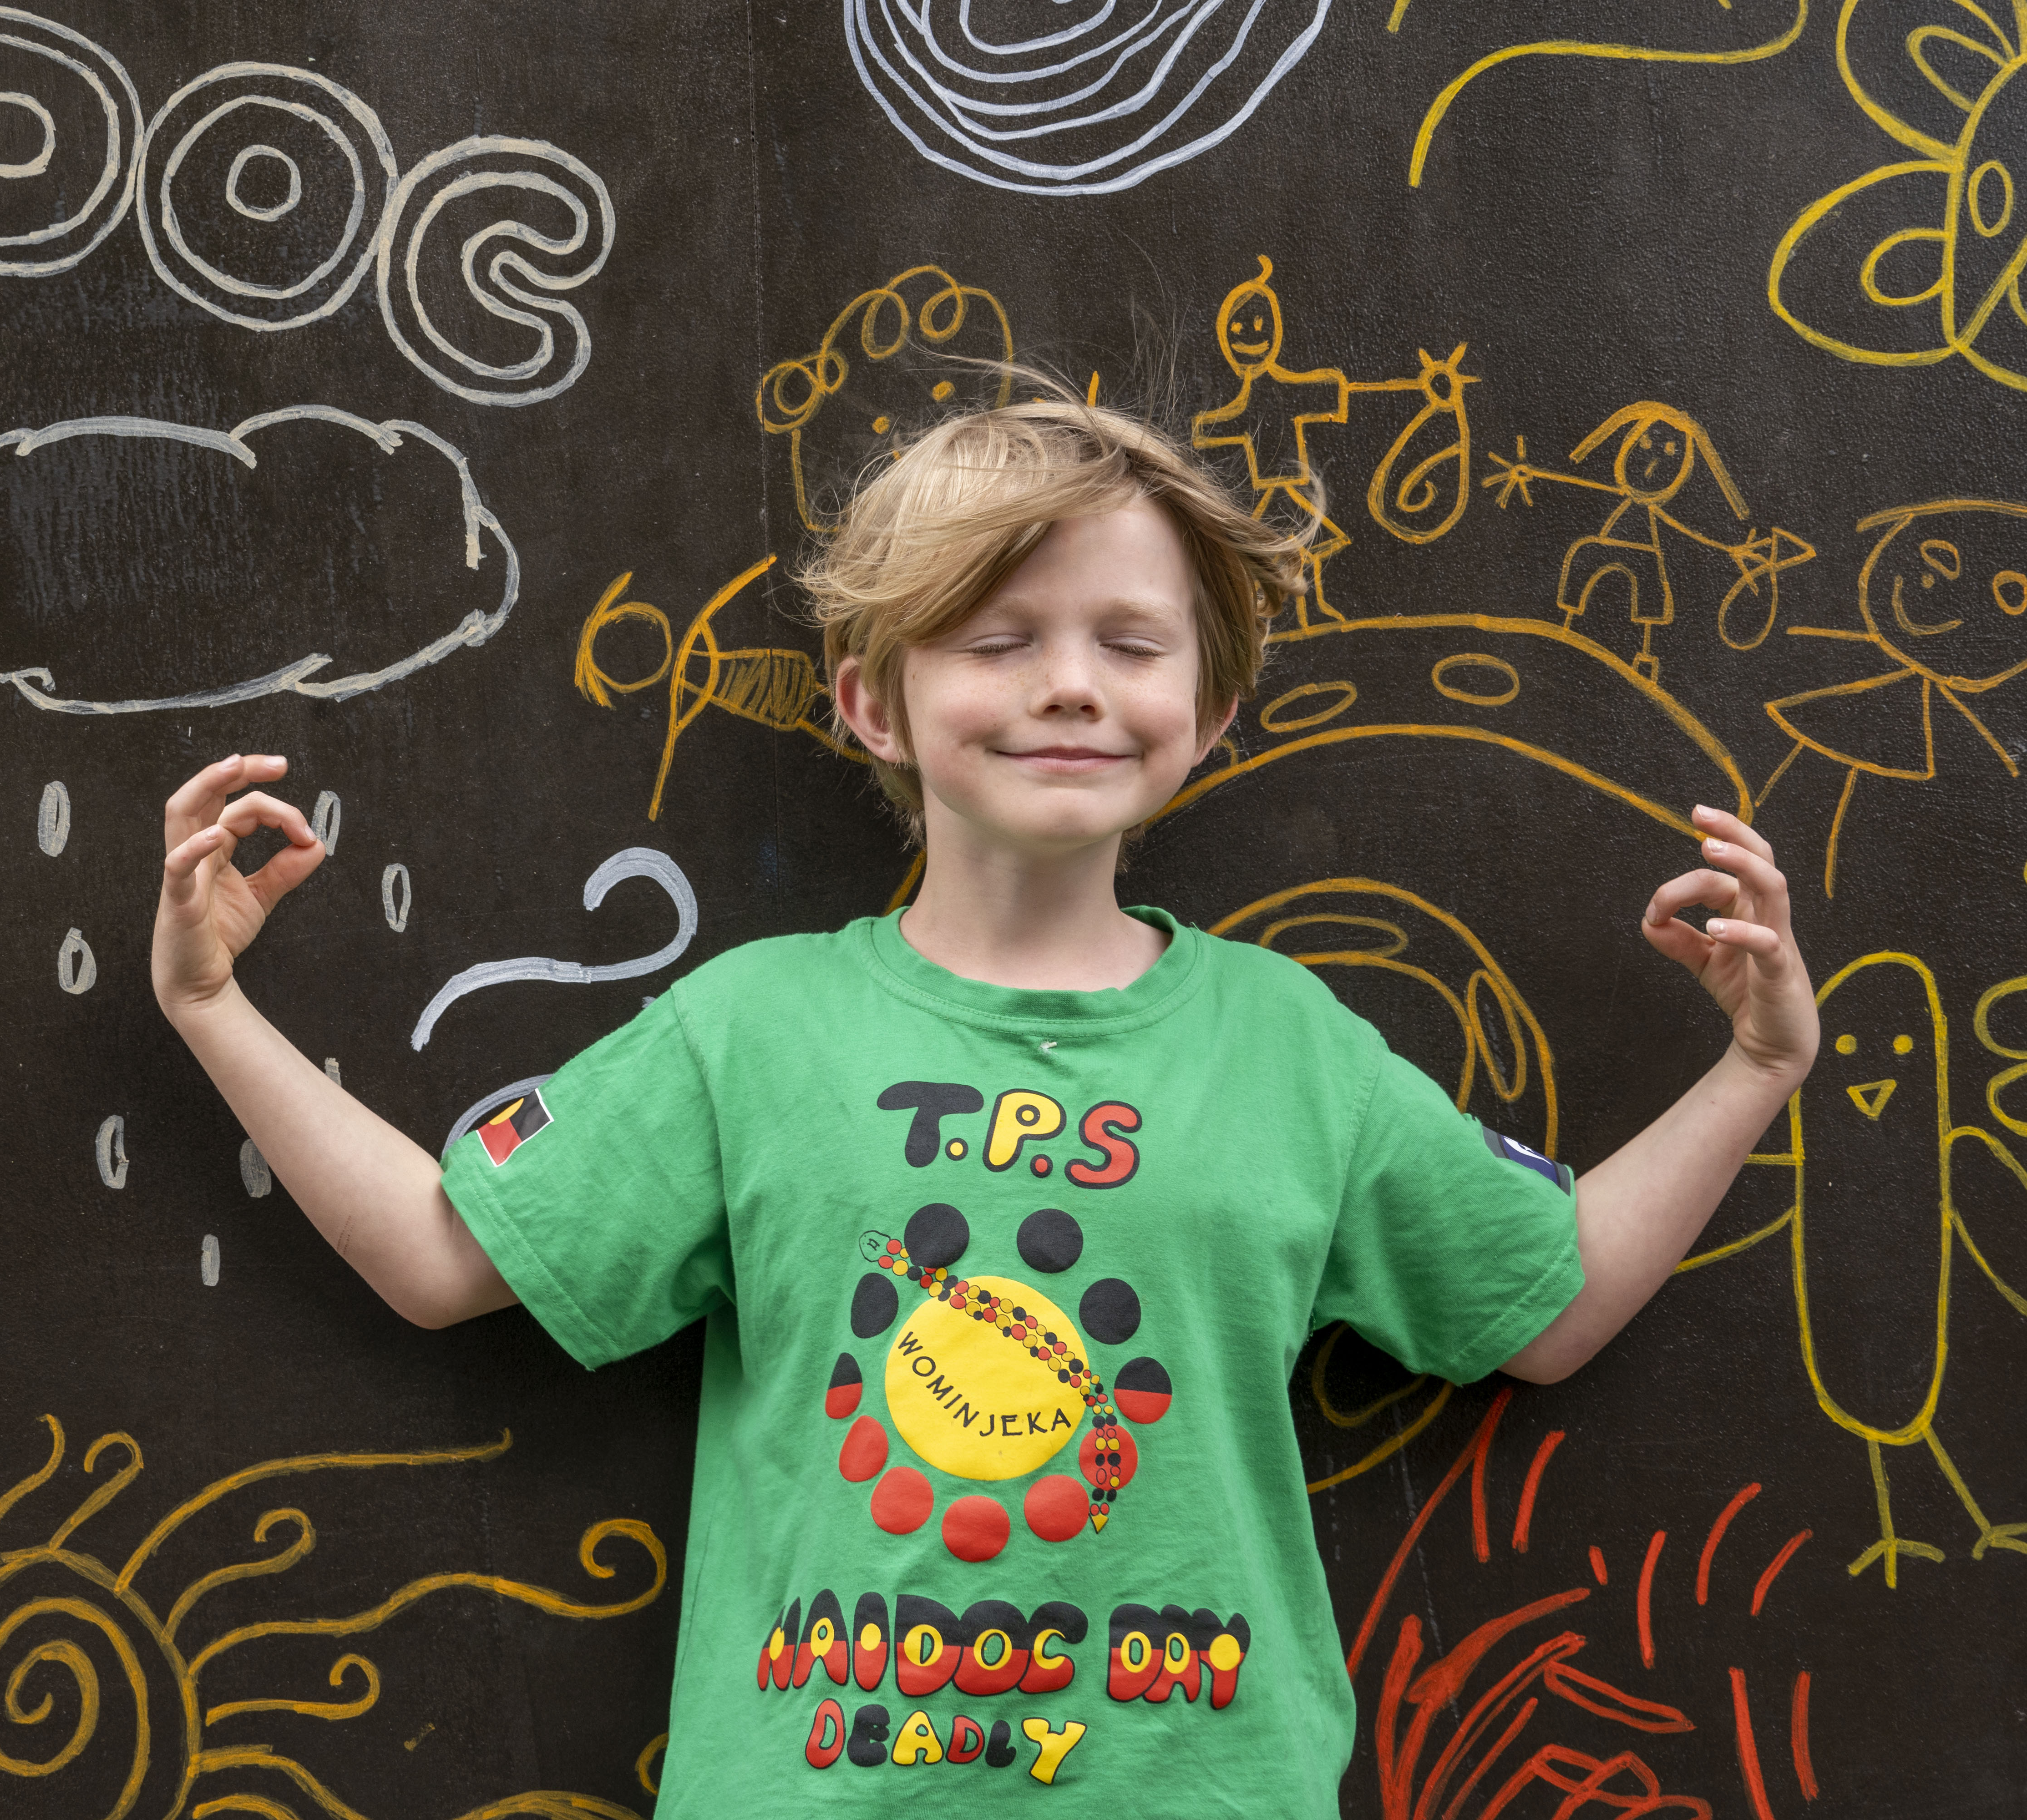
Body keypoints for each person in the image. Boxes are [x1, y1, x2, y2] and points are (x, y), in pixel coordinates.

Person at [148, 391, 1819, 1814]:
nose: (1072, 685)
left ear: (1210, 710)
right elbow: (449, 1258)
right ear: (873, 700)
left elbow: (1541, 1307)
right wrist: (213, 1007)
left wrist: (1755, 1070)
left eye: (1131, 642)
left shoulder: (1289, 1046)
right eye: (999, 639)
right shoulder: (753, 1030)